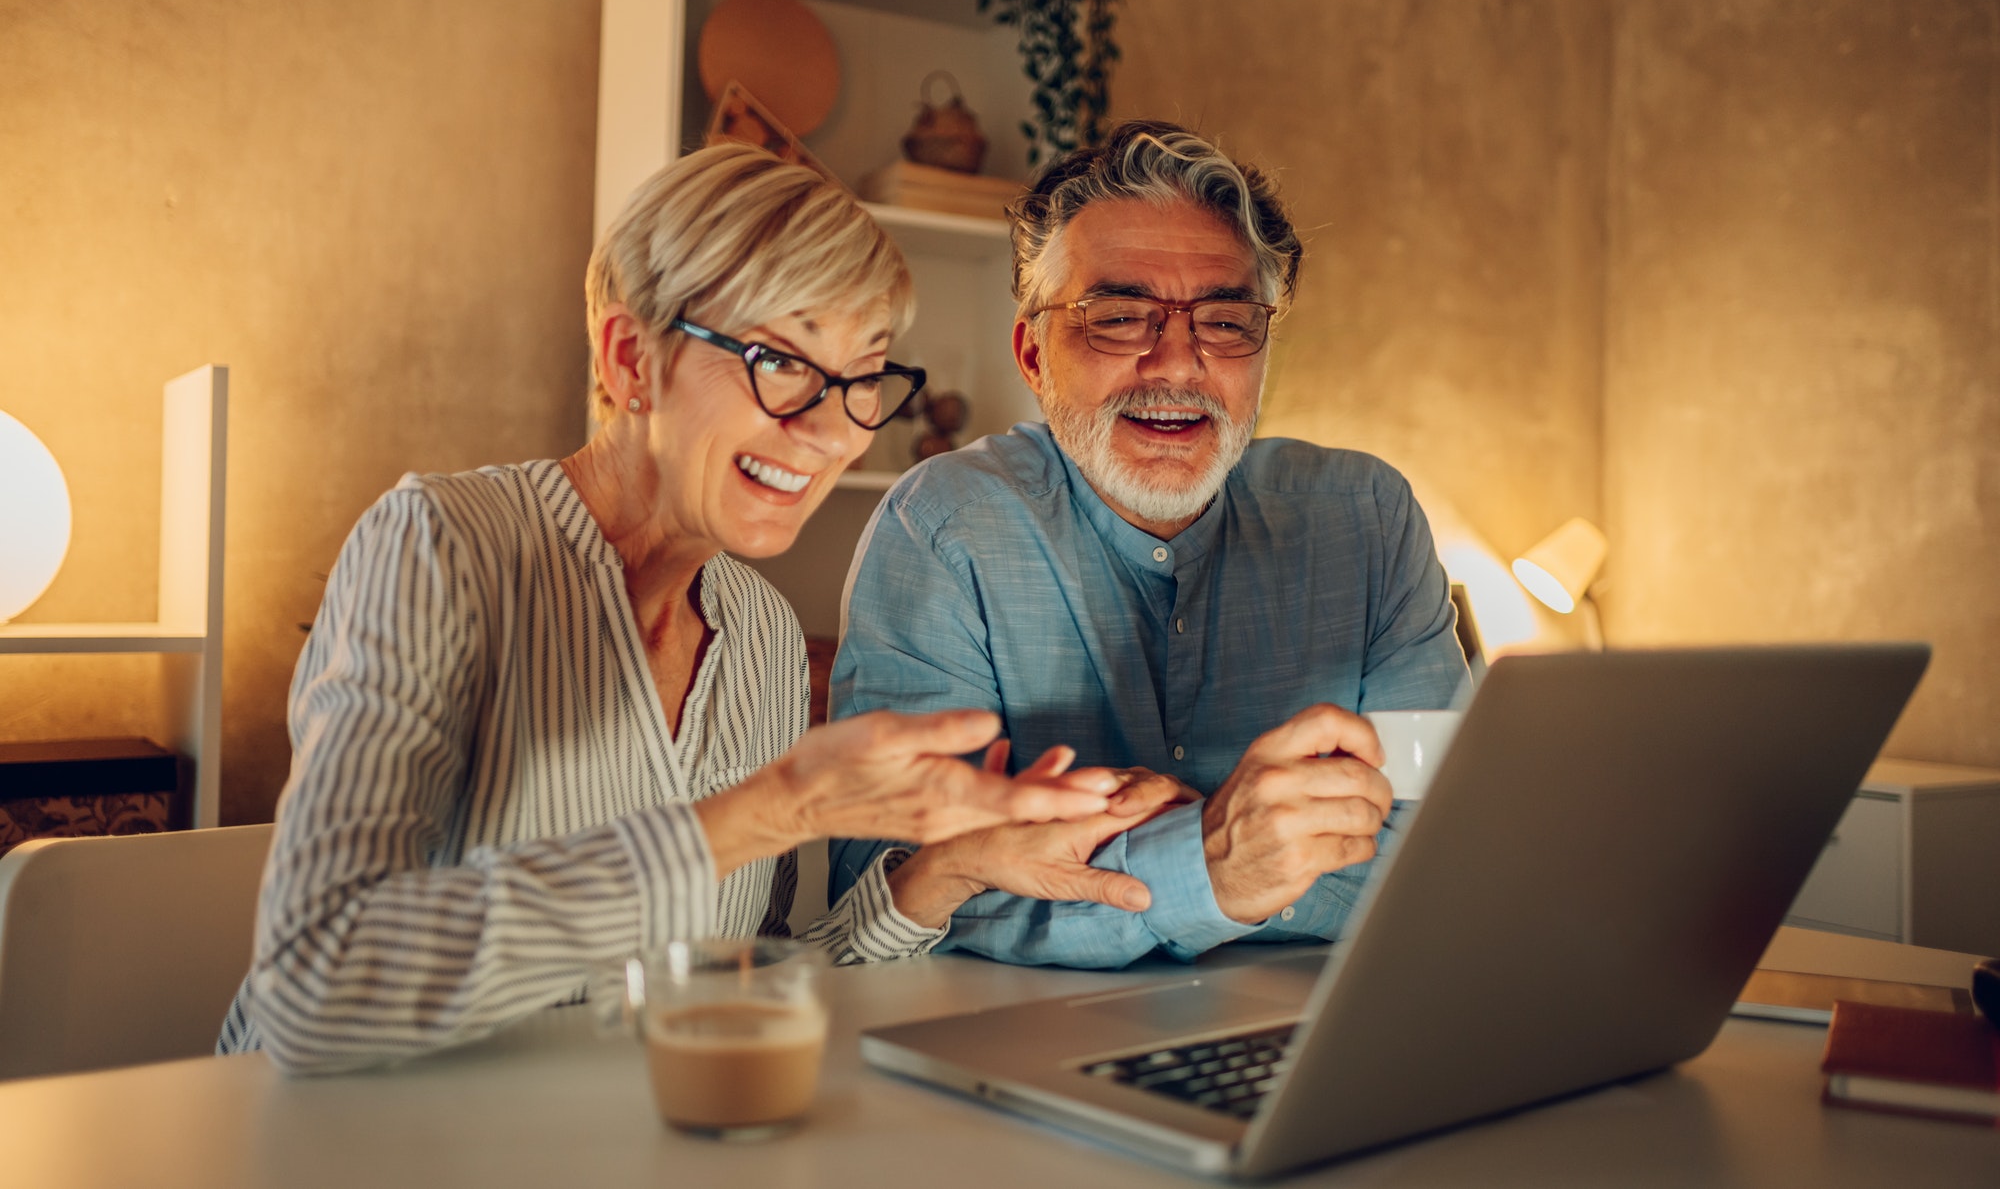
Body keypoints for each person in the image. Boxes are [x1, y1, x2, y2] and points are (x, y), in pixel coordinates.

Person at [217, 144, 1120, 1074]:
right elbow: (311, 987)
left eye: (861, 378)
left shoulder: (762, 633)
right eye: (778, 359)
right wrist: (774, 808)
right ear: (630, 358)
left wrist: (948, 871)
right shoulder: (439, 546)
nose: (825, 429)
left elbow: (740, 988)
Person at [829, 121, 1470, 967]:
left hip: (1319, 1039)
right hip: (1026, 1056)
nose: (1176, 365)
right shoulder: (943, 528)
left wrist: (1193, 849)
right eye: (1119, 318)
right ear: (1032, 352)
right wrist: (1215, 857)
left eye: (1226, 321)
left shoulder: (1369, 518)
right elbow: (902, 894)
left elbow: (1446, 861)